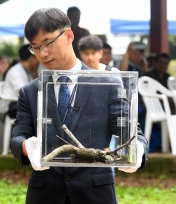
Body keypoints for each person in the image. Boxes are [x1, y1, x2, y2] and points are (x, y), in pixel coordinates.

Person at [10, 8, 148, 204]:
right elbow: (18, 136)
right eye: (36, 47)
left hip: (95, 192)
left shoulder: (107, 84)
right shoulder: (31, 91)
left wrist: (137, 151)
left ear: (68, 35)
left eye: (48, 43)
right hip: (45, 194)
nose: (43, 53)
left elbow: (132, 132)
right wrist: (26, 147)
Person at [0, 44, 39, 117]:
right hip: (11, 106)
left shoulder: (26, 71)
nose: (39, 61)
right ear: (32, 58)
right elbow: (26, 92)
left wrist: (35, 73)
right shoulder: (15, 71)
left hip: (18, 103)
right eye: (37, 57)